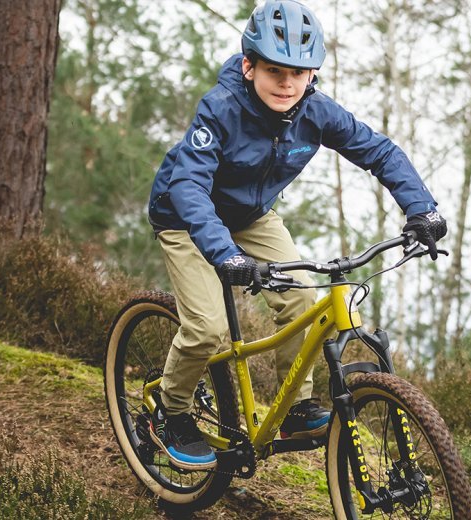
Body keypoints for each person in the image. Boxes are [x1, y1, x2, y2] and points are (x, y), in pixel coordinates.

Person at [147, 0, 447, 471]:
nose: (287, 83)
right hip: (186, 218)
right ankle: (171, 411)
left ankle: (295, 410)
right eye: (274, 70)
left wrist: (421, 209)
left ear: (313, 75)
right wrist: (224, 254)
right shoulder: (220, 108)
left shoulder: (317, 111)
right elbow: (188, 185)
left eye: (299, 73)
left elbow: (381, 152)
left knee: (304, 300)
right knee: (209, 327)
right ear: (249, 67)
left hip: (250, 216)